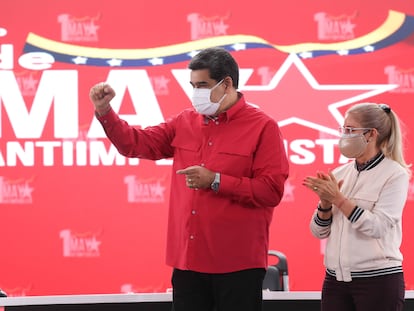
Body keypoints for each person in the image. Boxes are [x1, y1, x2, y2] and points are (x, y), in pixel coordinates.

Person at [89, 47, 289, 311]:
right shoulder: (184, 121)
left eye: (203, 85)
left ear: (227, 83)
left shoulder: (263, 127)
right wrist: (105, 112)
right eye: (193, 85)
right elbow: (136, 144)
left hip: (237, 264)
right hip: (189, 262)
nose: (196, 93)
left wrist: (216, 180)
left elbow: (271, 191)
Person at [303, 102, 411, 311]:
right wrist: (325, 204)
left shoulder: (394, 174)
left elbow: (379, 227)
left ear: (371, 134)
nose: (344, 135)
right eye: (343, 129)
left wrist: (339, 200)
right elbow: (318, 232)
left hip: (378, 281)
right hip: (335, 281)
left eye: (350, 130)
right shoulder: (341, 172)